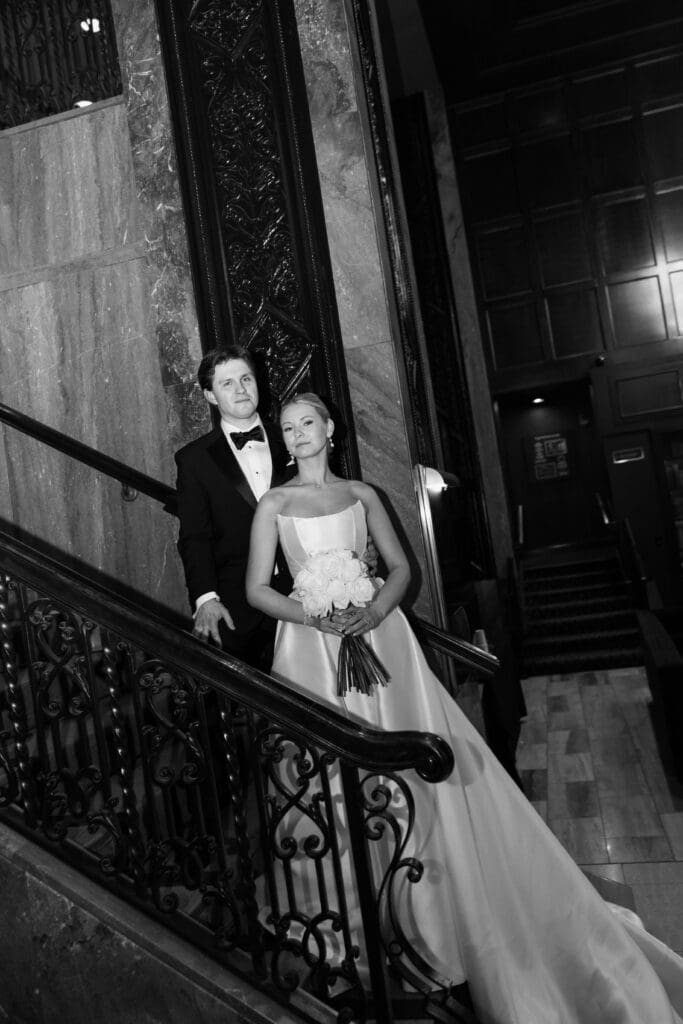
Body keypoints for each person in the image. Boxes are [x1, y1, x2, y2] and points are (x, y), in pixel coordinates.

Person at [245, 392, 683, 1024]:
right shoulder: (274, 504)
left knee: (409, 763)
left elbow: (401, 569)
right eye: (287, 428)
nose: (298, 434)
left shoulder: (364, 495)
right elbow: (258, 589)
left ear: (331, 428)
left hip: (380, 636)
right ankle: (343, 920)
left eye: (307, 423)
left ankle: (432, 910)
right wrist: (314, 614)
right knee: (326, 778)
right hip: (310, 652)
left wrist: (371, 608)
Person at [174, 345, 292, 669]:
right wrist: (205, 599)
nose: (240, 390)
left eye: (246, 379)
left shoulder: (292, 438)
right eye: (227, 383)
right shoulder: (194, 459)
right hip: (233, 601)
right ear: (210, 396)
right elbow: (194, 536)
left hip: (302, 591)